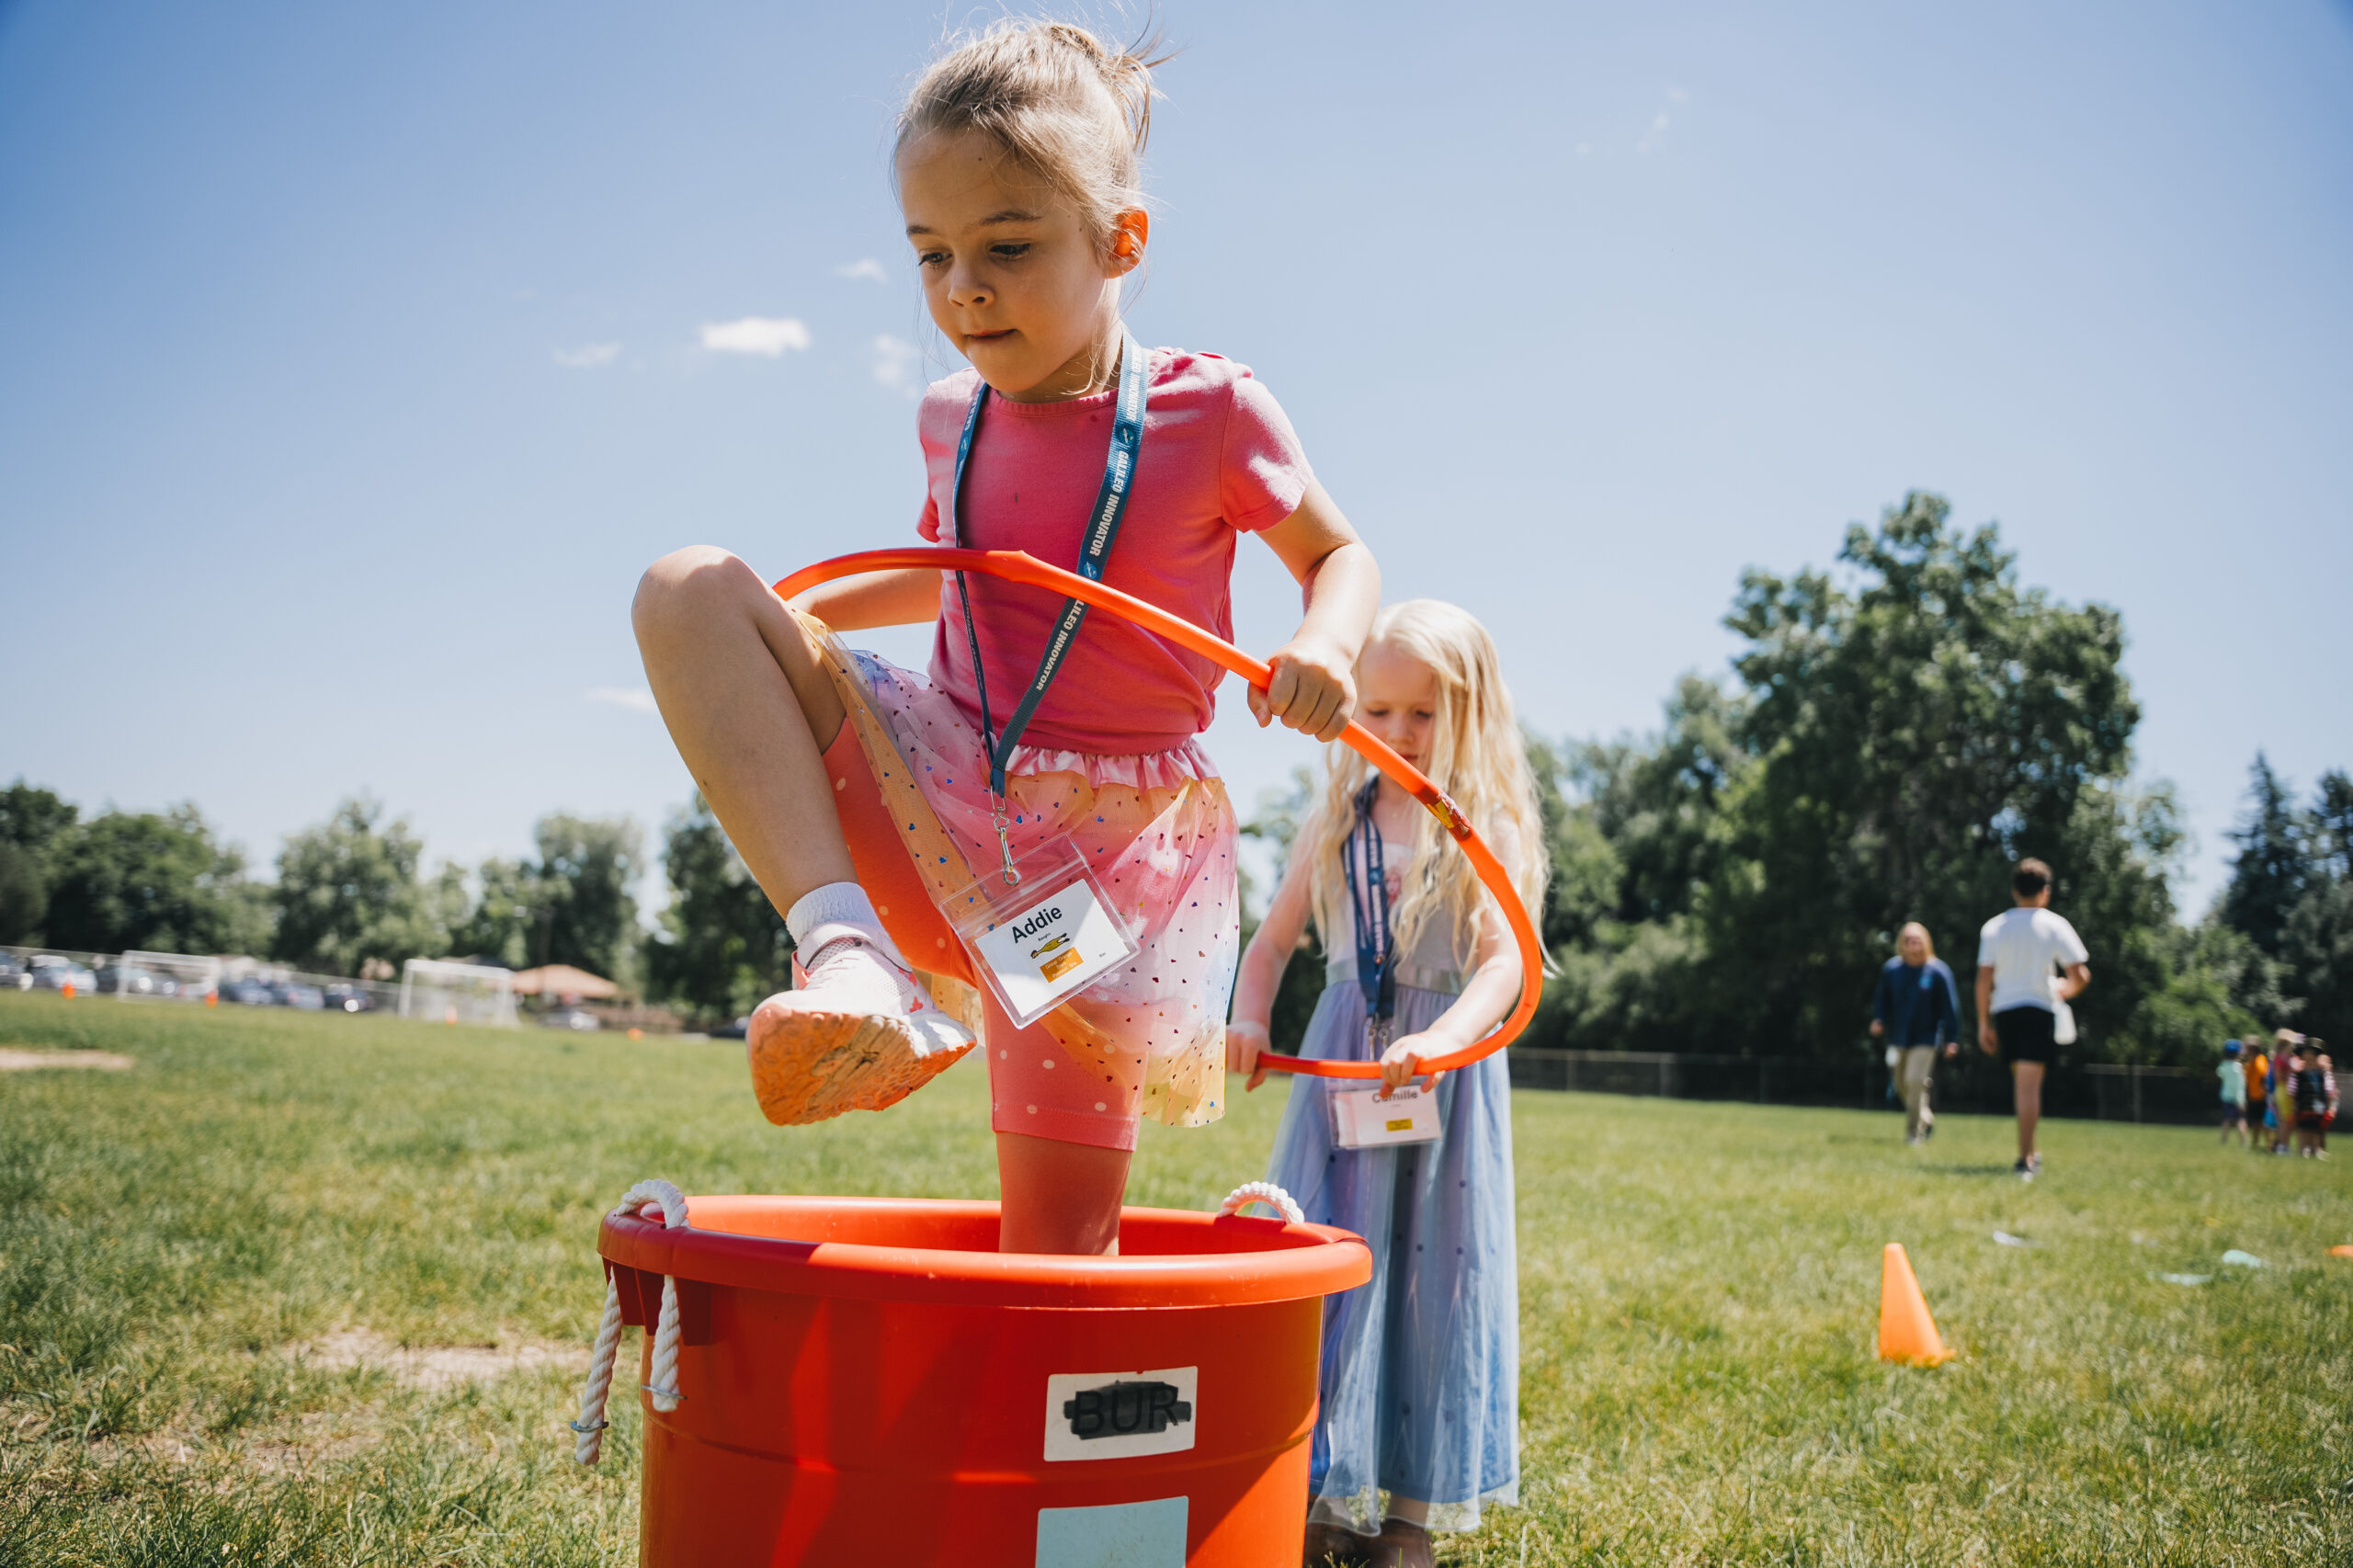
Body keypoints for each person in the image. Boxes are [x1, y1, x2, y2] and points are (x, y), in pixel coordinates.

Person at [630, 21, 1381, 1255]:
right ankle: (853, 964)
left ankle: (1046, 1411)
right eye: (929, 255)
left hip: (1102, 876)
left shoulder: (1214, 410)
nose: (961, 289)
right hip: (943, 786)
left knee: (1056, 1242)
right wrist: (777, 626)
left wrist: (1330, 645)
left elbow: (1338, 555)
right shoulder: (950, 417)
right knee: (689, 587)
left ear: (1121, 241)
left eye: (1007, 247)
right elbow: (950, 580)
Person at [1227, 602, 1546, 1568]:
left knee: (1430, 1283)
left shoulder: (1485, 825)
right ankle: (1319, 1490)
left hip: (1438, 1080)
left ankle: (1406, 1519)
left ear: (1470, 711)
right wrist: (1248, 1016)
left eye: (1423, 713)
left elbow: (1503, 963)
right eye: (1380, 710)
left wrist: (1445, 1036)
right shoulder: (1338, 818)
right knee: (1327, 1272)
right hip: (1342, 1070)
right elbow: (1273, 939)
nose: (1398, 734)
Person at [1975, 858, 2091, 1180]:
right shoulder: (2054, 924)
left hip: (2005, 1011)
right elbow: (2080, 974)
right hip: (2038, 1009)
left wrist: (1983, 1023)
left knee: (2022, 1085)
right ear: (2046, 892)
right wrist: (2064, 991)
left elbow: (1984, 979)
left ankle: (2030, 1151)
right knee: (2029, 1089)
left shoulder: (1995, 926)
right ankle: (2025, 1160)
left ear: (2015, 891)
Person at [1870, 922, 1961, 1145]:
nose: (1913, 944)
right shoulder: (1892, 969)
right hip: (1899, 1036)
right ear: (1901, 943)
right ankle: (1925, 1116)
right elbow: (1882, 999)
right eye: (1908, 940)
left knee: (1915, 1081)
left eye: (1917, 940)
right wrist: (1879, 1019)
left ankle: (1914, 1134)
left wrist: (1951, 1038)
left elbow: (1950, 1007)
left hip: (1927, 1038)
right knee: (1901, 1083)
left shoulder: (1938, 971)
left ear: (1925, 942)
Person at [2290, 1039, 2336, 1158]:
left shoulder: (2322, 1074)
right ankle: (2302, 1150)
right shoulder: (2298, 1073)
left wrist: (2331, 1106)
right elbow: (2292, 1091)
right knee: (2303, 1130)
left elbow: (2330, 1090)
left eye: (2312, 1053)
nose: (2309, 1056)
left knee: (2315, 1131)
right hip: (2302, 1107)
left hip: (2318, 1109)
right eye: (2307, 1052)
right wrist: (2292, 1106)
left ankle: (2316, 1150)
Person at [2268, 1030, 2299, 1154]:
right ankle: (2282, 1146)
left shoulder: (2279, 1057)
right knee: (2285, 1120)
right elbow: (2280, 1077)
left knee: (2284, 1120)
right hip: (2284, 1089)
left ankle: (2282, 1146)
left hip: (2281, 1090)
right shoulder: (2282, 1058)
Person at [2242, 1035, 2272, 1153]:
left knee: (2264, 1122)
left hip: (2262, 1097)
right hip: (2253, 1097)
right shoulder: (2249, 1063)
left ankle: (2269, 1144)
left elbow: (2263, 1076)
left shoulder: (2261, 1059)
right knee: (2255, 1122)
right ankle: (2255, 1143)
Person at [2217, 1040, 2249, 1147]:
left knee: (2227, 1119)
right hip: (2237, 1099)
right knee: (2241, 1120)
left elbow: (2220, 1073)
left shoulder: (2224, 1065)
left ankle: (2224, 1140)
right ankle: (2243, 1142)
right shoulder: (2238, 1067)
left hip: (2226, 1097)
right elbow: (2240, 1086)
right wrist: (2241, 1101)